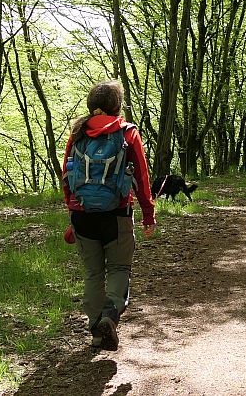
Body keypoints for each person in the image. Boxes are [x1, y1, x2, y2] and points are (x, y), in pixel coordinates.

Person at [61, 80, 156, 351]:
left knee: (93, 273)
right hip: (117, 215)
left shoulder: (78, 133)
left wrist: (72, 209)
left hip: (82, 216)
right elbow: (141, 176)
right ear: (118, 106)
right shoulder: (127, 133)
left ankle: (95, 330)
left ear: (91, 106)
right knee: (119, 268)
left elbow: (67, 176)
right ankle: (109, 317)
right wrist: (148, 214)